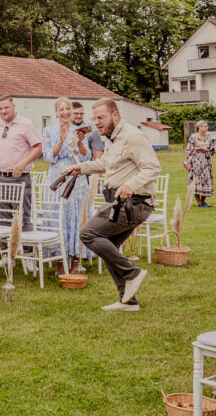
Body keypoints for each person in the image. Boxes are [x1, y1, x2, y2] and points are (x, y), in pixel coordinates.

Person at [67, 99, 159, 312]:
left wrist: (130, 185)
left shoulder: (133, 136)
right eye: (94, 118)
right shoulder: (112, 138)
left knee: (87, 234)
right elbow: (105, 163)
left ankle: (133, 273)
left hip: (133, 203)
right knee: (108, 246)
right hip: (121, 203)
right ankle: (128, 301)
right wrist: (81, 168)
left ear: (115, 115)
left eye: (101, 117)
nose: (96, 122)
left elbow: (152, 167)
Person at [42, 97, 90, 273]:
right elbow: (48, 156)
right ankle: (60, 261)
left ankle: (76, 260)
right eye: (61, 109)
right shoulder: (49, 130)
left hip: (77, 180)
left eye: (67, 108)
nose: (65, 112)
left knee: (77, 217)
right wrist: (61, 141)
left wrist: (80, 142)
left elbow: (86, 157)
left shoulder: (79, 130)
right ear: (56, 112)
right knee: (59, 218)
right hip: (58, 178)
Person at [0, 95, 42, 232]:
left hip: (19, 178)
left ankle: (25, 246)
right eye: (0, 109)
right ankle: (5, 247)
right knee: (2, 222)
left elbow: (39, 147)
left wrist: (23, 162)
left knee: (22, 221)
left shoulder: (26, 124)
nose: (3, 111)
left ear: (13, 106)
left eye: (6, 107)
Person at [186, 120, 216, 207]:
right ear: (200, 127)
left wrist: (214, 151)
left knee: (206, 180)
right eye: (205, 126)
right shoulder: (193, 136)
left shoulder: (208, 136)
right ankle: (198, 201)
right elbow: (189, 149)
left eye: (207, 126)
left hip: (206, 162)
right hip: (196, 162)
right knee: (195, 181)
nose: (207, 128)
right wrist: (200, 148)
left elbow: (211, 147)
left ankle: (203, 201)